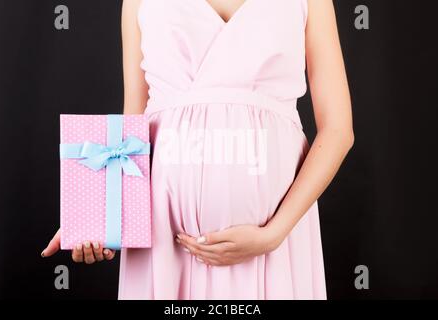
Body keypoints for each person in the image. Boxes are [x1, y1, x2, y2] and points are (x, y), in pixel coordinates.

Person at [43, 0, 354, 300]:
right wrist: (96, 218)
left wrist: (272, 235)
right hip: (166, 240)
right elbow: (130, 130)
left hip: (276, 237)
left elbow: (338, 131)